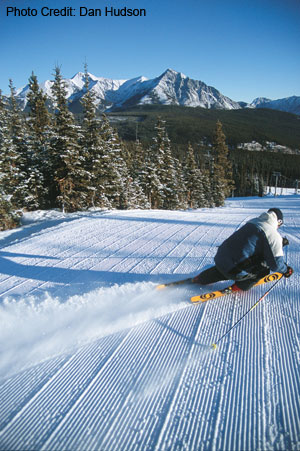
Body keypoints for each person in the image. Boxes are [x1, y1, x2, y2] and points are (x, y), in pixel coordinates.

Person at [193, 208, 293, 291]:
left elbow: (253, 243)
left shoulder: (253, 222)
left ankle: (201, 278)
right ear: (278, 222)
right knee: (264, 270)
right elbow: (275, 265)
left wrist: (279, 242)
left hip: (220, 258)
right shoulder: (273, 235)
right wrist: (285, 270)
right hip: (234, 270)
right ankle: (238, 287)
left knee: (225, 266)